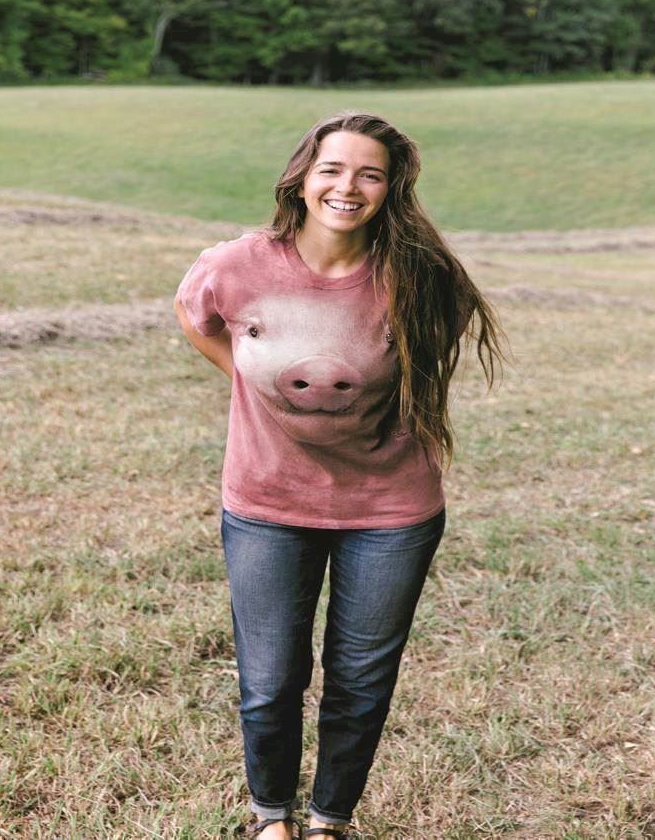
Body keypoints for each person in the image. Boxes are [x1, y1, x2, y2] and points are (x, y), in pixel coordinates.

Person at [174, 112, 507, 839]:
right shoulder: (236, 264)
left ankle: (329, 822)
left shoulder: (419, 276)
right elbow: (193, 314)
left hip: (390, 509)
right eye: (332, 169)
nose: (347, 187)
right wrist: (249, 383)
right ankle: (272, 818)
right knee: (269, 681)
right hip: (266, 503)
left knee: (359, 684)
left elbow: (436, 345)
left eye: (369, 174)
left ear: (391, 189)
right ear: (302, 177)